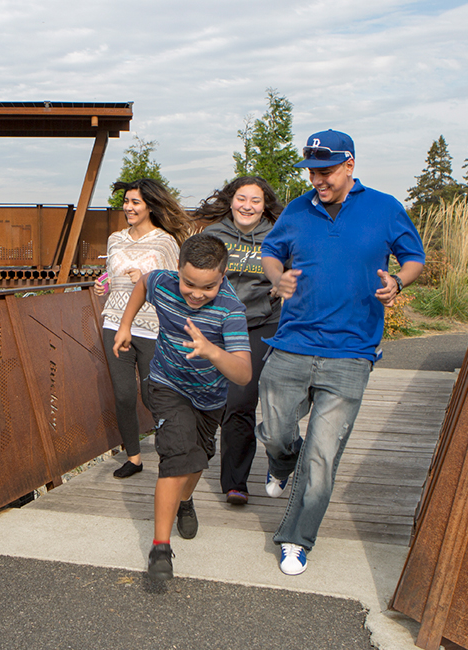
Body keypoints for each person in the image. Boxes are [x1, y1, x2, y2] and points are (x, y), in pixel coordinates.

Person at [257, 129, 425, 576]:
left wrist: (398, 282)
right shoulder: (296, 210)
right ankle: (280, 461)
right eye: (312, 171)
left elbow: (414, 258)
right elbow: (271, 253)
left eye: (325, 171)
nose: (317, 179)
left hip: (352, 351)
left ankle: (295, 539)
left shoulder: (385, 208)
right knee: (276, 433)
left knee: (323, 454)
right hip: (292, 343)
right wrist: (278, 277)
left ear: (350, 165)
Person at [114, 233, 252, 579]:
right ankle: (160, 549)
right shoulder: (164, 281)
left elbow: (244, 373)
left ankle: (185, 501)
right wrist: (125, 324)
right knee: (176, 458)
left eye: (207, 287)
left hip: (210, 397)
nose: (196, 293)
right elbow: (144, 283)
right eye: (189, 283)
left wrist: (212, 351)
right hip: (167, 384)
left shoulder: (230, 309)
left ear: (223, 276)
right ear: (177, 270)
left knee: (197, 460)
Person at [191, 177, 284, 505]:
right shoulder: (214, 234)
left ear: (264, 205)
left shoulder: (277, 234)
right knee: (214, 401)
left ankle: (236, 482)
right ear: (230, 201)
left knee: (242, 402)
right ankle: (201, 468)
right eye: (241, 198)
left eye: (255, 200)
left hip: (261, 325)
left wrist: (282, 283)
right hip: (220, 326)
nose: (247, 206)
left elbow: (295, 270)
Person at [96, 179, 187, 479]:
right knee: (123, 395)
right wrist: (103, 283)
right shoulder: (115, 239)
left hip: (151, 326)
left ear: (149, 205)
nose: (128, 207)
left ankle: (173, 450)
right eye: (126, 201)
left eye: (135, 202)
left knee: (151, 396)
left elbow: (177, 284)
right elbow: (112, 273)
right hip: (114, 321)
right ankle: (133, 458)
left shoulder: (165, 242)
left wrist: (148, 278)